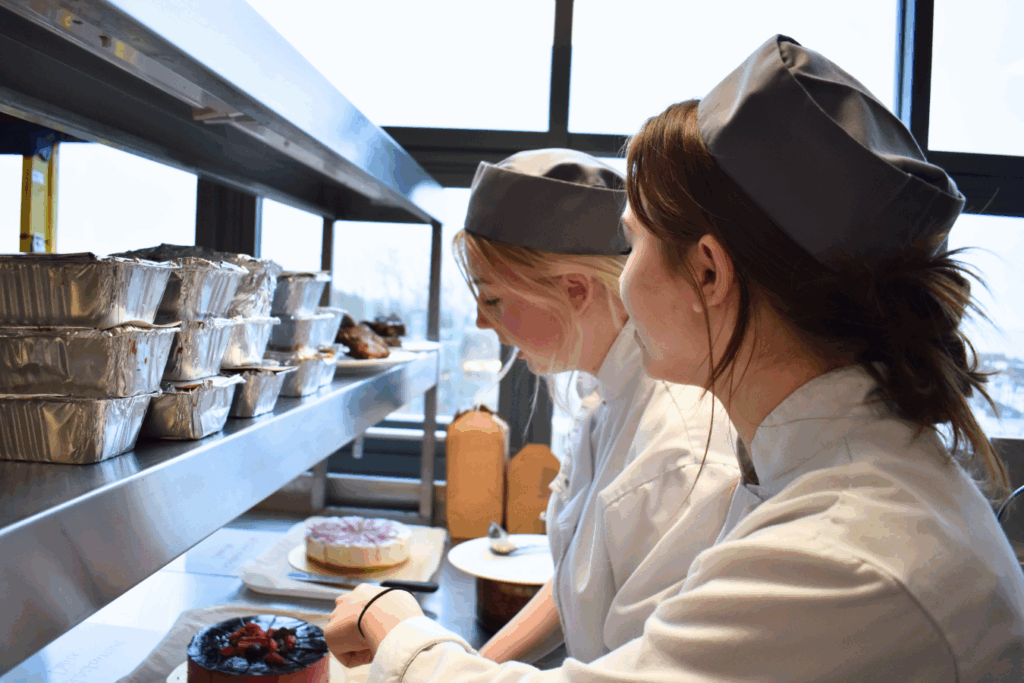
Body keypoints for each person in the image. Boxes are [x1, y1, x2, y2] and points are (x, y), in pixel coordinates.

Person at [325, 35, 1024, 682]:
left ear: (709, 275)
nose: (621, 280)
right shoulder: (814, 477)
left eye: (633, 244)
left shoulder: (843, 555)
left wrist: (394, 625)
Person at [462, 148, 740, 664]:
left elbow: (647, 668)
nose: (482, 322)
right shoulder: (608, 399)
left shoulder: (678, 447)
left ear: (573, 289)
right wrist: (473, 667)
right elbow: (583, 583)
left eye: (494, 298)